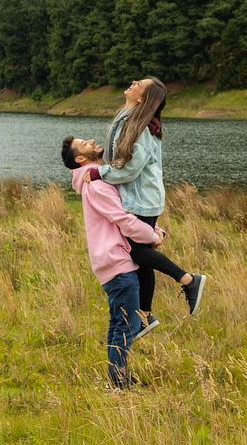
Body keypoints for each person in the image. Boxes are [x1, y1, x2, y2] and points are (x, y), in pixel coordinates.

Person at [85, 76, 206, 337]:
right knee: (140, 255)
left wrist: (99, 174)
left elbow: (130, 168)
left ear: (142, 99)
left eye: (139, 84)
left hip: (142, 200)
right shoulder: (130, 119)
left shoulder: (138, 128)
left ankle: (187, 280)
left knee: (136, 252)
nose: (133, 82)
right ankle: (145, 315)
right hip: (141, 199)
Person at [61, 135, 164, 389]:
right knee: (126, 325)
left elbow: (127, 209)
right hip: (116, 262)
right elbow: (123, 219)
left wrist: (155, 228)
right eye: (84, 143)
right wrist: (152, 235)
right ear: (80, 159)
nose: (92, 140)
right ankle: (118, 384)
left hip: (113, 261)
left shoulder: (99, 179)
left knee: (120, 323)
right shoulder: (96, 185)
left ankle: (118, 378)